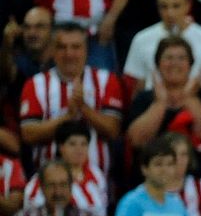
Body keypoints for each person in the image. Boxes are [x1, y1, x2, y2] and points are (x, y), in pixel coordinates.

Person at [18, 22, 124, 175]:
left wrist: (84, 108)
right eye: (62, 47)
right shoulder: (35, 84)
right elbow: (28, 134)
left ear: (86, 50)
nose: (69, 54)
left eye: (76, 47)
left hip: (98, 180)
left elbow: (113, 130)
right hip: (49, 181)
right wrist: (68, 117)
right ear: (53, 50)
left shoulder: (107, 80)